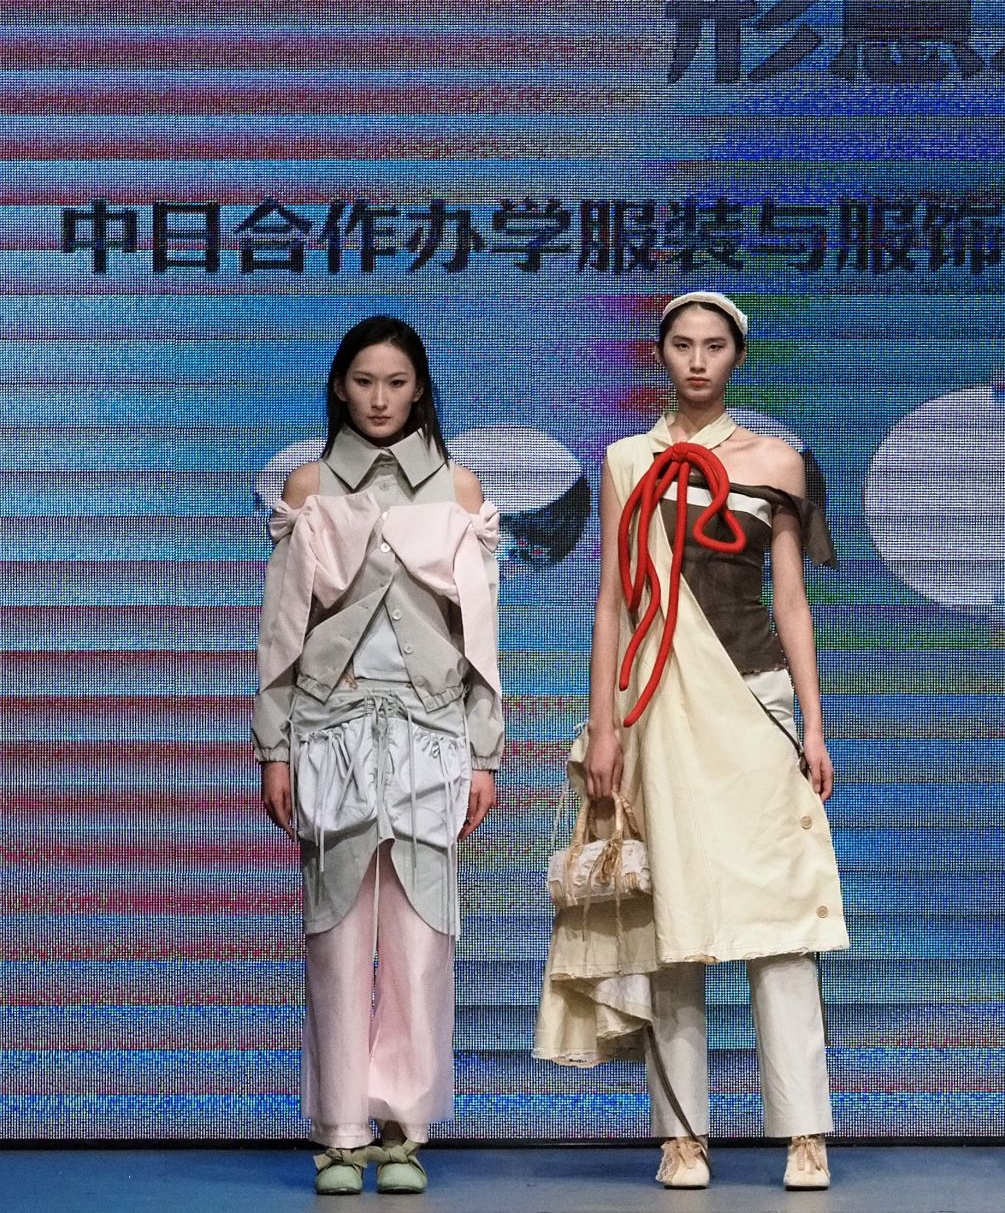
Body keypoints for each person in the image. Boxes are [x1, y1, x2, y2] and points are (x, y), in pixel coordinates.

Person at [535, 291, 846, 1192]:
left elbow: (792, 602)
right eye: (682, 344)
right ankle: (682, 1136)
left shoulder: (779, 462)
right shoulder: (626, 459)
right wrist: (604, 726)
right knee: (675, 924)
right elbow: (611, 603)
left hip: (754, 699)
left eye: (714, 346)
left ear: (736, 356)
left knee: (780, 918)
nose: (698, 360)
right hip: (659, 706)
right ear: (662, 354)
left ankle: (805, 1131)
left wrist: (814, 724)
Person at [253, 315, 503, 1195]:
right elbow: (283, 631)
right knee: (335, 936)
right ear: (340, 388)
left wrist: (485, 754)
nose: (381, 398)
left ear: (420, 388)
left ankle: (404, 1130)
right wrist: (274, 749)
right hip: (331, 731)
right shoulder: (311, 485)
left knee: (421, 937)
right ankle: (340, 1132)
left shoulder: (459, 489)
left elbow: (481, 635)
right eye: (364, 381)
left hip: (432, 734)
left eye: (396, 382)